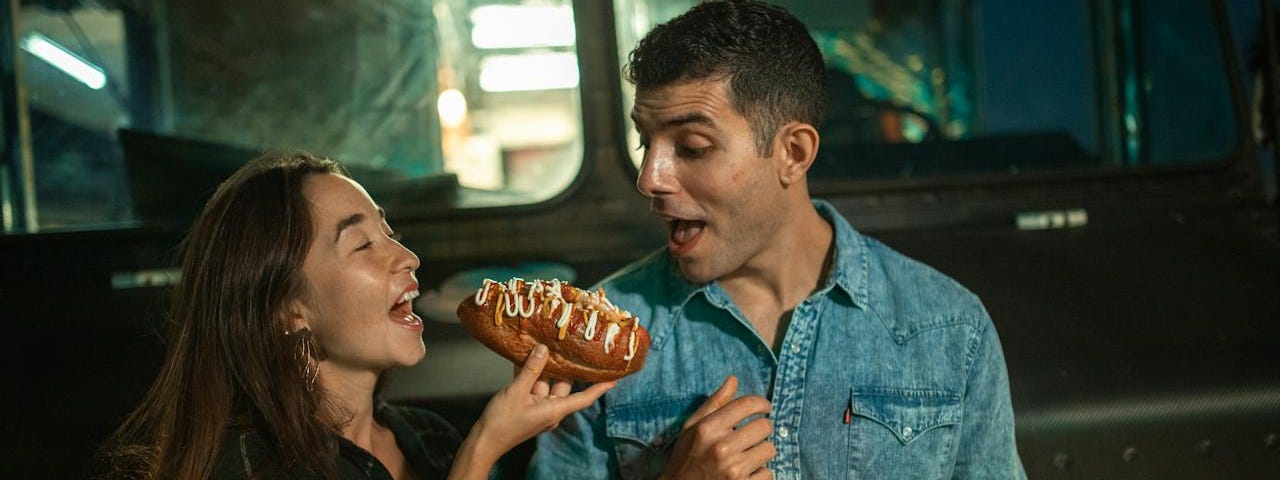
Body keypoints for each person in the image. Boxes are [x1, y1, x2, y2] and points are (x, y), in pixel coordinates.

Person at [530, 1, 1025, 478]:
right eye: (645, 142)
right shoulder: (595, 332)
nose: (650, 178)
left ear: (793, 152)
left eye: (692, 147)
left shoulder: (948, 328)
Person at [96, 152, 613, 479]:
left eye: (390, 234)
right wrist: (482, 450)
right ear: (288, 309)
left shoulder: (427, 438)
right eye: (362, 244)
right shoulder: (247, 468)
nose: (407, 258)